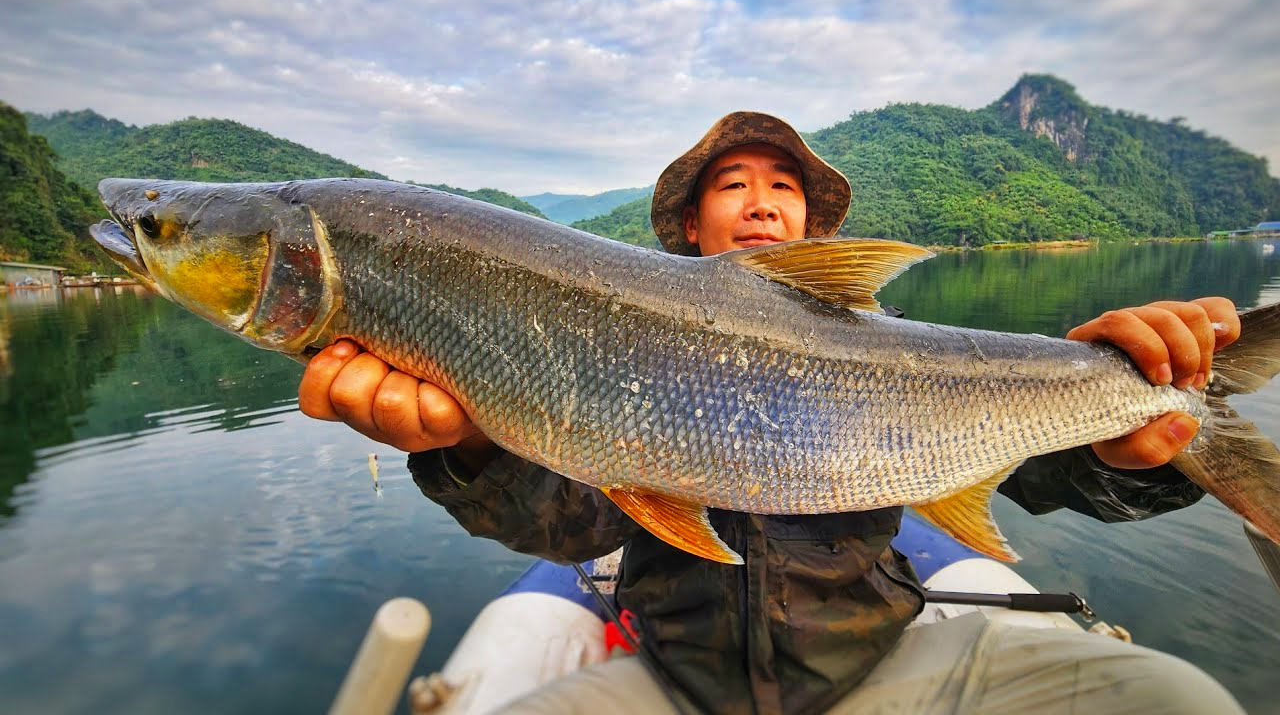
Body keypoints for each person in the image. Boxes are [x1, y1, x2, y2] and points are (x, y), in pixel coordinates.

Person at [298, 112, 1243, 714]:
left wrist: (1137, 452)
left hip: (876, 667)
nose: (761, 203)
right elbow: (573, 522)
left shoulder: (900, 355)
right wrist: (463, 448)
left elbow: (1055, 474)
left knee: (1174, 698)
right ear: (690, 230)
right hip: (675, 683)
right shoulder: (596, 342)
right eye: (733, 186)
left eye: (784, 188)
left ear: (811, 233)